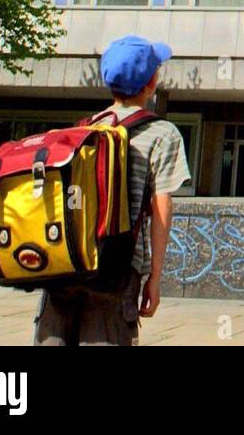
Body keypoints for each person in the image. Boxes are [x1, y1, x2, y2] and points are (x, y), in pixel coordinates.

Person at [34, 35, 192, 346]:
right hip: (117, 266)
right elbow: (161, 208)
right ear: (150, 83)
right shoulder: (162, 134)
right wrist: (154, 279)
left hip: (66, 262)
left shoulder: (82, 130)